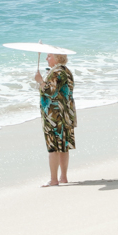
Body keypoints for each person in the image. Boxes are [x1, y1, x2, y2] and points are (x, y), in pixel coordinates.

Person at [34, 52, 76, 187]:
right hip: (64, 113)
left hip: (55, 115)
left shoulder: (58, 71)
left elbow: (50, 91)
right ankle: (63, 177)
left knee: (53, 147)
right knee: (62, 146)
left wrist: (40, 81)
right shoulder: (64, 70)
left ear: (57, 58)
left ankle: (54, 180)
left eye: (49, 56)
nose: (47, 58)